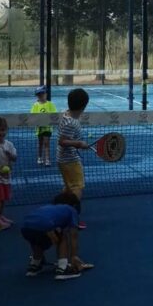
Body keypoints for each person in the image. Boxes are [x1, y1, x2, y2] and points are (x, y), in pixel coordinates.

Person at [21, 191, 93, 280]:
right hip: (44, 225)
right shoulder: (71, 210)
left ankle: (35, 264)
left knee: (37, 242)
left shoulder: (49, 208)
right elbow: (73, 236)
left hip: (25, 227)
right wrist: (74, 256)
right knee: (63, 237)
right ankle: (63, 268)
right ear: (74, 205)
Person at [57, 88, 90, 230]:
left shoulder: (66, 114)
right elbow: (62, 141)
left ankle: (57, 209)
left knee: (68, 188)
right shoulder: (72, 122)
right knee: (77, 187)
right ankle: (72, 218)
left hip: (64, 159)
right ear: (83, 106)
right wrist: (79, 144)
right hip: (70, 160)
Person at [31, 86, 57, 166]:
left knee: (46, 143)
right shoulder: (35, 105)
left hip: (47, 128)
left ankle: (47, 159)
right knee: (40, 143)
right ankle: (39, 157)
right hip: (39, 128)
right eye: (39, 95)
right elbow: (32, 115)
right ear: (37, 96)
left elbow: (54, 115)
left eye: (42, 94)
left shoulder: (50, 104)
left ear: (46, 94)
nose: (41, 96)